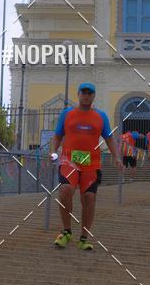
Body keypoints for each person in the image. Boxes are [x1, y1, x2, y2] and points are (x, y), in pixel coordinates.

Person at [50, 83, 122, 250]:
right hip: (70, 161)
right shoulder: (67, 114)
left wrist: (117, 157)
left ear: (94, 96)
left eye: (90, 93)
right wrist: (53, 152)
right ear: (78, 94)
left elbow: (110, 139)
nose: (87, 96)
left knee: (89, 198)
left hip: (91, 164)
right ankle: (66, 231)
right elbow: (57, 136)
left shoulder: (101, 116)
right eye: (84, 92)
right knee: (65, 190)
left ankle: (83, 238)